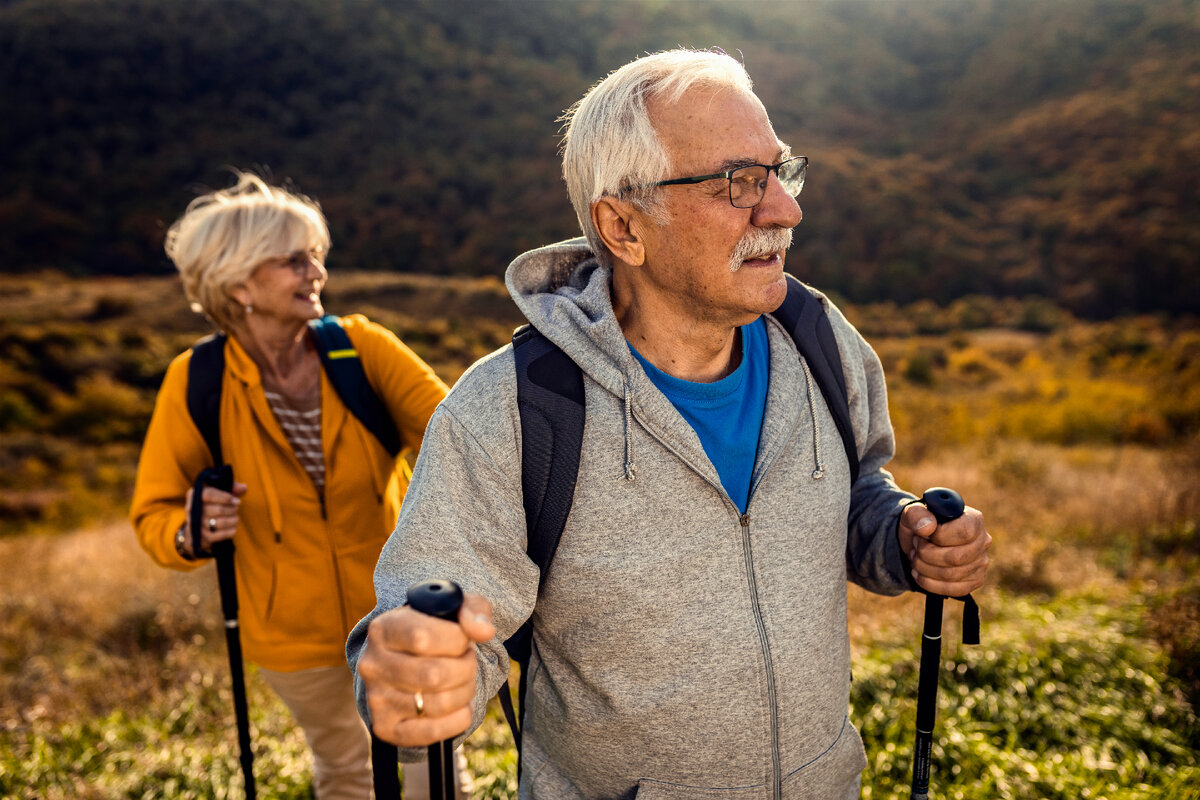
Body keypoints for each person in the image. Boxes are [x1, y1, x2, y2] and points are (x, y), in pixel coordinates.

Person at [348, 49, 992, 799]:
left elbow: (853, 493)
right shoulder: (513, 412)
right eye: (738, 183)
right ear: (622, 226)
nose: (786, 210)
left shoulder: (822, 342)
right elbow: (435, 619)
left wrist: (902, 536)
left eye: (780, 173)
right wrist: (414, 669)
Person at [130, 170, 459, 799]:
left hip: (397, 612)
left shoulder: (361, 350)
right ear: (237, 283)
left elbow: (459, 442)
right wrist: (190, 530)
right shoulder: (196, 382)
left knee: (428, 772)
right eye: (291, 261)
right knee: (346, 774)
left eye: (315, 256)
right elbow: (154, 513)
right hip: (291, 637)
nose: (315, 272)